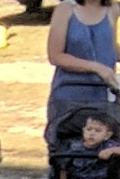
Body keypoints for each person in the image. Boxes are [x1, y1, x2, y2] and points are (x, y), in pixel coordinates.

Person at [48, 0, 119, 129]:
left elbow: (110, 49)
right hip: (69, 97)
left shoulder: (112, 10)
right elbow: (56, 56)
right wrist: (96, 68)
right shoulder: (66, 9)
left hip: (104, 97)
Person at [63, 111, 120, 179]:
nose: (92, 134)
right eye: (89, 129)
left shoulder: (108, 145)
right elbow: (62, 166)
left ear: (107, 135)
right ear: (83, 130)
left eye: (98, 131)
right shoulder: (74, 146)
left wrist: (111, 151)